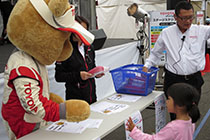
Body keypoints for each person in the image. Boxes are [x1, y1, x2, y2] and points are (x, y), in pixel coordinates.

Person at [142, 1, 210, 120]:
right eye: (184, 18)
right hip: (173, 80)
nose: (188, 21)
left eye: (190, 17)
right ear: (175, 17)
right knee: (175, 116)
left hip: (193, 80)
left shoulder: (201, 31)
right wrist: (147, 65)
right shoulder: (167, 33)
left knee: (190, 116)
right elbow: (155, 53)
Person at [55, 15, 104, 104]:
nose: (83, 33)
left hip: (91, 96)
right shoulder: (65, 49)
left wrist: (96, 73)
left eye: (85, 30)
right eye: (80, 30)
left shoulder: (89, 47)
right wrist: (78, 76)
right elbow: (59, 76)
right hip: (75, 99)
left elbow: (91, 66)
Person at [126, 83, 200, 140]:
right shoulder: (190, 120)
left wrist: (134, 131)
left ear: (179, 105)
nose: (166, 101)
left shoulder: (173, 127)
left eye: (169, 99)